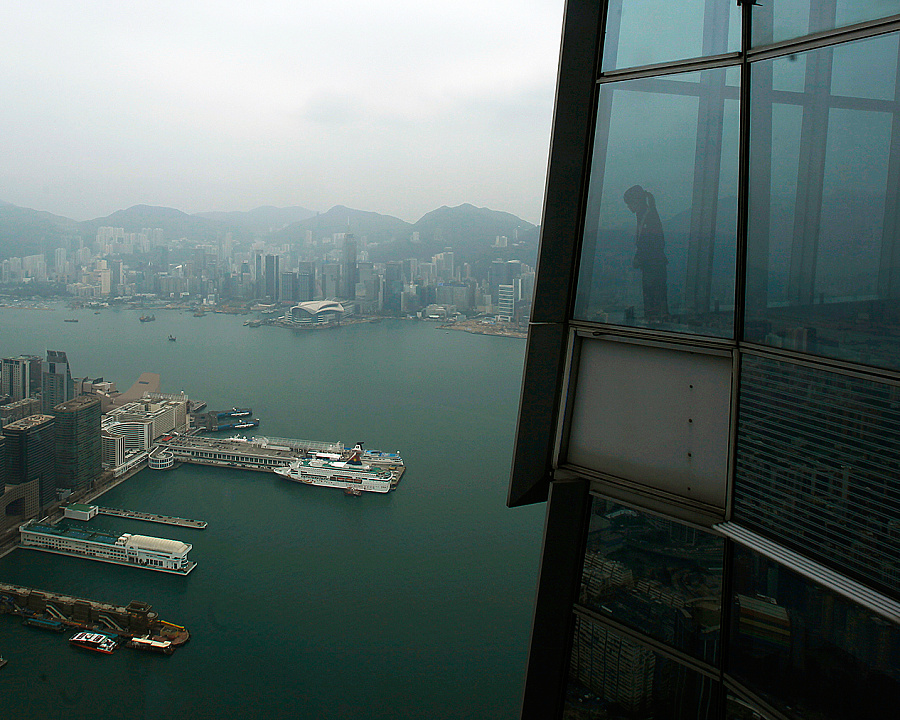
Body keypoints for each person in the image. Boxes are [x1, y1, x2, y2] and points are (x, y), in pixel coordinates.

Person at [624, 184, 668, 321]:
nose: (629, 206)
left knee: (653, 298)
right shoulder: (645, 215)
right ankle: (654, 319)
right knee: (653, 298)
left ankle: (655, 321)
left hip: (653, 267)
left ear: (636, 201)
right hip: (652, 266)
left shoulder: (648, 216)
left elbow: (654, 243)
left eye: (629, 203)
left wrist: (641, 258)